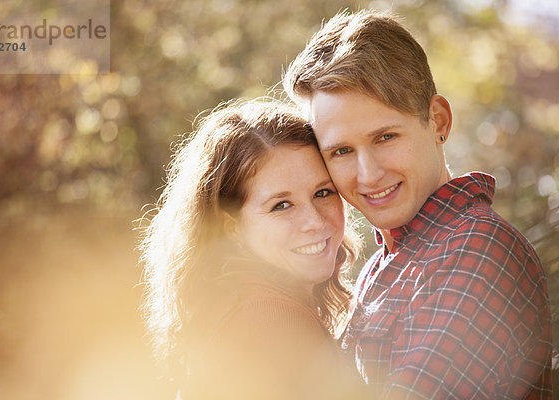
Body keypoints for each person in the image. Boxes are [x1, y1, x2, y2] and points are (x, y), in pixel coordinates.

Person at [283, 9, 552, 399]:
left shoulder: (478, 250)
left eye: (385, 137)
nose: (368, 174)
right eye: (341, 151)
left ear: (438, 121)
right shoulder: (385, 263)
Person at [139, 99, 369, 399]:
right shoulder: (275, 322)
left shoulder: (239, 306)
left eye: (322, 192)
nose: (314, 221)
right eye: (281, 205)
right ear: (231, 226)